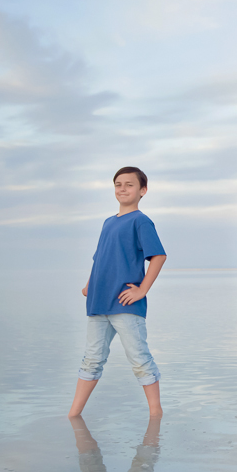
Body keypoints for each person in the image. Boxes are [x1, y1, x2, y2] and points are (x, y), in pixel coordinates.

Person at [69, 167, 167, 418]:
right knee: (92, 359)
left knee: (139, 358)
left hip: (125, 303)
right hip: (98, 302)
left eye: (129, 185)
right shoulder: (108, 222)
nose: (122, 188)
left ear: (142, 190)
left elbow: (158, 256)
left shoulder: (140, 220)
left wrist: (142, 290)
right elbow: (99, 258)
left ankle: (156, 413)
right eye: (118, 184)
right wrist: (89, 285)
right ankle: (73, 415)